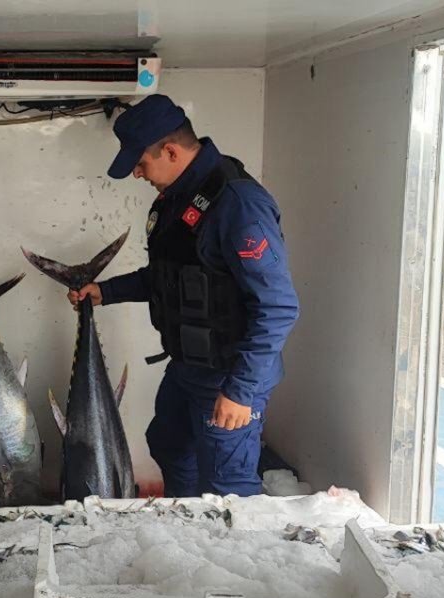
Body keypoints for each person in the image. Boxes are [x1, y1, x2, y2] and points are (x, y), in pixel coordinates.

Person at [68, 95, 300, 497]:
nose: (138, 174)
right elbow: (171, 276)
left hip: (229, 372)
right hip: (188, 366)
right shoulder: (176, 201)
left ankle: (228, 551)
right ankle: (186, 532)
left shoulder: (239, 205)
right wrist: (106, 291)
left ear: (171, 151)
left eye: (140, 164)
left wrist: (241, 391)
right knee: (169, 444)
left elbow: (276, 307)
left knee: (228, 488)